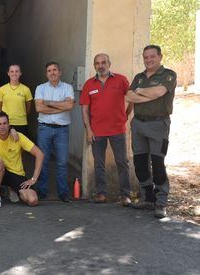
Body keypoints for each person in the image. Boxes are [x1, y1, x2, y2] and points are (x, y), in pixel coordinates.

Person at [126, 45, 176, 218]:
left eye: (152, 56)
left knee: (158, 164)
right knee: (140, 163)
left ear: (160, 57)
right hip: (138, 124)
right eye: (146, 57)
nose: (148, 60)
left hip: (158, 124)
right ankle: (147, 198)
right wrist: (148, 94)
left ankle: (161, 202)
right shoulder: (139, 77)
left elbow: (160, 92)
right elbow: (129, 96)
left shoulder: (168, 75)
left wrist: (140, 93)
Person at [80, 54, 132, 206]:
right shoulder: (89, 84)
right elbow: (85, 109)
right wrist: (88, 129)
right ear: (94, 66)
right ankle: (101, 193)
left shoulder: (121, 80)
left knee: (122, 162)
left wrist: (125, 116)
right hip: (97, 131)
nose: (100, 66)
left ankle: (125, 195)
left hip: (117, 129)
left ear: (109, 64)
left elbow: (131, 98)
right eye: (97, 63)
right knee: (99, 164)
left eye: (103, 62)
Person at [0, 112, 44, 208]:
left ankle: (12, 189)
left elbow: (40, 154)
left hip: (16, 174)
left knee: (32, 200)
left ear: (9, 124)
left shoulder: (18, 136)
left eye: (5, 123)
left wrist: (33, 179)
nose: (2, 126)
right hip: (0, 172)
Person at [34, 61, 74, 202]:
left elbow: (70, 105)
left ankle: (63, 192)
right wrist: (61, 106)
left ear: (59, 71)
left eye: (55, 70)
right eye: (49, 70)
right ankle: (42, 190)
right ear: (46, 74)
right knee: (43, 161)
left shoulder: (68, 88)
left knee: (62, 162)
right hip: (44, 128)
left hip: (62, 130)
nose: (52, 73)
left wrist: (48, 103)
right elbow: (39, 108)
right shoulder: (40, 88)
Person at [0, 64, 33, 135]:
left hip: (22, 123)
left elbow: (28, 110)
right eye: (12, 71)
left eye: (17, 71)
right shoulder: (2, 89)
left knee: (21, 145)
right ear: (8, 73)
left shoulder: (26, 89)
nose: (14, 73)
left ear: (20, 73)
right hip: (6, 124)